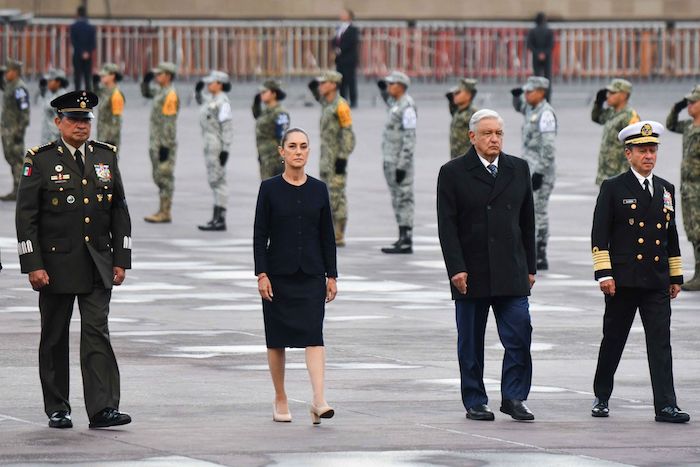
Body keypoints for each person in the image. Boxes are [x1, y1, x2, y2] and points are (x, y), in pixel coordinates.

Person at [15, 90, 132, 429]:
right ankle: (58, 407)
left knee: (97, 333)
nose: (81, 126)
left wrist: (121, 258)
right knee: (54, 337)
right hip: (55, 266)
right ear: (58, 122)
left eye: (86, 120)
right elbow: (27, 218)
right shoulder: (40, 160)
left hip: (97, 262)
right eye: (74, 120)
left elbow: (119, 210)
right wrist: (32, 264)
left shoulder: (105, 157)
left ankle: (103, 408)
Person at [437, 109, 537, 422]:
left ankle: (514, 396)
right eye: (487, 133)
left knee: (520, 334)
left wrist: (531, 266)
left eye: (498, 133)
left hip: (511, 269)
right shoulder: (453, 172)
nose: (494, 139)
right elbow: (447, 226)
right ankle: (475, 400)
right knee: (470, 342)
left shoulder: (518, 168)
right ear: (472, 137)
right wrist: (456, 268)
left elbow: (528, 222)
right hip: (472, 270)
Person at [590, 121, 689, 423]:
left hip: (656, 280)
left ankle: (666, 406)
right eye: (642, 151)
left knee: (660, 342)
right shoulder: (613, 187)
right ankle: (602, 395)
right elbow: (599, 234)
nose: (649, 156)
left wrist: (675, 276)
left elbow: (670, 235)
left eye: (653, 150)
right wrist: (604, 274)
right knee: (614, 339)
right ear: (628, 153)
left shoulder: (665, 189)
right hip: (623, 280)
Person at [253, 127, 337, 425]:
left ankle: (318, 399)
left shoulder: (319, 189)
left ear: (309, 151)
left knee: (314, 335)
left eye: (303, 146)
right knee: (277, 340)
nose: (298, 151)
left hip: (312, 274)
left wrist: (332, 275)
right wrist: (261, 274)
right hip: (278, 275)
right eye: (292, 146)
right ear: (282, 152)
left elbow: (327, 234)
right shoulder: (270, 188)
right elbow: (260, 234)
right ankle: (280, 397)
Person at [511, 76, 557, 270]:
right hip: (528, 169)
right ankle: (531, 249)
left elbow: (548, 147)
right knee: (528, 210)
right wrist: (516, 98)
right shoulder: (531, 108)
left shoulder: (546, 114)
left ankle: (541, 251)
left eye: (530, 92)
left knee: (539, 210)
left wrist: (539, 172)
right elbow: (520, 106)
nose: (526, 95)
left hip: (541, 171)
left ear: (541, 92)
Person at [308, 70, 356, 246]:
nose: (320, 86)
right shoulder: (327, 103)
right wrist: (314, 87)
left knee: (337, 195)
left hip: (336, 159)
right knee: (328, 195)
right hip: (326, 158)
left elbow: (348, 133)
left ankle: (339, 234)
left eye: (324, 83)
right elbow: (318, 96)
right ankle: (332, 232)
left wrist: (343, 157)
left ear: (333, 85)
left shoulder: (341, 105)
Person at [378, 71, 417, 254]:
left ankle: (407, 237)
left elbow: (410, 137)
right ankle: (401, 235)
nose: (389, 87)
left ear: (400, 86)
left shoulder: (407, 106)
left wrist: (403, 164)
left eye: (391, 84)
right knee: (396, 198)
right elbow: (387, 100)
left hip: (400, 161)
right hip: (390, 159)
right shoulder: (396, 105)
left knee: (404, 197)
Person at [666, 85, 700, 291]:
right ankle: (698, 273)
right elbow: (670, 125)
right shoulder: (688, 127)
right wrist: (675, 108)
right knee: (693, 231)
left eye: (693, 102)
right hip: (688, 189)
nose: (689, 105)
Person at [140, 62, 179, 223]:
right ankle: (162, 209)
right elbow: (147, 93)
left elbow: (169, 122)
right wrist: (145, 82)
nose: (156, 77)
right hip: (155, 141)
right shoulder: (160, 91)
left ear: (168, 76)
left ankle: (165, 211)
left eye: (159, 74)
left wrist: (165, 145)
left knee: (165, 177)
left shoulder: (170, 94)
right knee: (158, 176)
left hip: (164, 143)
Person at [195, 70, 234, 231]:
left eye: (211, 82)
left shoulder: (223, 103)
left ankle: (221, 218)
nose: (208, 85)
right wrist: (197, 91)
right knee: (214, 180)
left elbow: (227, 127)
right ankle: (215, 216)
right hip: (209, 145)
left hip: (217, 145)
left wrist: (226, 149)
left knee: (219, 181)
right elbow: (202, 102)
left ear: (220, 84)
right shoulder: (212, 99)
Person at [592, 78, 640, 185]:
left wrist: (625, 177)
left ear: (623, 95)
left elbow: (634, 148)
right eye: (608, 92)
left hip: (619, 176)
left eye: (613, 93)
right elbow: (597, 118)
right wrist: (598, 103)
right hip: (605, 174)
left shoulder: (629, 117)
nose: (608, 96)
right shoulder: (611, 112)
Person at [0, 59, 30, 201]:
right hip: (7, 130)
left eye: (8, 71)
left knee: (17, 160)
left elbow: (25, 112)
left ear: (15, 72)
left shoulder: (19, 88)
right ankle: (16, 189)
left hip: (14, 130)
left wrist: (19, 130)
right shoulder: (10, 85)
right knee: (10, 158)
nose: (6, 73)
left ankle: (21, 190)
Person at [253, 79, 290, 180]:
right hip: (265, 158)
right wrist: (256, 104)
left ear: (274, 94)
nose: (262, 95)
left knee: (277, 192)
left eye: (264, 92)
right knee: (267, 190)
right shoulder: (266, 111)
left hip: (275, 160)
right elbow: (258, 116)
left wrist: (282, 161)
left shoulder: (280, 113)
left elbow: (283, 138)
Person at [332, 8, 360, 108]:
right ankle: (343, 100)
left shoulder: (353, 29)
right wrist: (335, 48)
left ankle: (353, 101)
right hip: (340, 59)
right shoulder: (338, 28)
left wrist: (340, 49)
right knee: (341, 81)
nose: (341, 15)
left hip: (349, 59)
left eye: (344, 13)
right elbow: (334, 40)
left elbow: (351, 42)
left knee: (350, 80)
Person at [94, 63, 125, 149]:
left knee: (109, 162)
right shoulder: (104, 91)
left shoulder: (116, 94)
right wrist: (94, 84)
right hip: (101, 137)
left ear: (112, 76)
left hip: (109, 140)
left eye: (104, 75)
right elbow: (92, 96)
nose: (101, 77)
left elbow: (117, 120)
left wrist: (111, 140)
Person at [446, 78, 478, 159]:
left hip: (467, 160)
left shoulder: (473, 113)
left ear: (468, 95)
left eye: (458, 93)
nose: (454, 96)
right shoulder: (458, 111)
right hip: (455, 158)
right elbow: (452, 106)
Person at [526, 12, 554, 100]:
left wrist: (538, 53)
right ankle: (547, 98)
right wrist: (544, 53)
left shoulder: (532, 31)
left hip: (536, 57)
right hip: (547, 57)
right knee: (547, 78)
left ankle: (538, 98)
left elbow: (529, 44)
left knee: (537, 78)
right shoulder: (549, 31)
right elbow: (551, 45)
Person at [39, 68, 69, 144]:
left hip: (56, 138)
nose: (48, 83)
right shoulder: (51, 93)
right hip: (48, 137)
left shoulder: (62, 96)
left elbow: (48, 106)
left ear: (58, 82)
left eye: (50, 81)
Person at [70, 6, 96, 92]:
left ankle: (76, 95)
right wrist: (87, 52)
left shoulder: (74, 27)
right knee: (87, 77)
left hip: (77, 54)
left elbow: (73, 42)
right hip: (88, 56)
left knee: (77, 77)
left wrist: (81, 52)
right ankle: (88, 96)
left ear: (77, 14)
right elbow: (93, 43)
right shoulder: (91, 28)